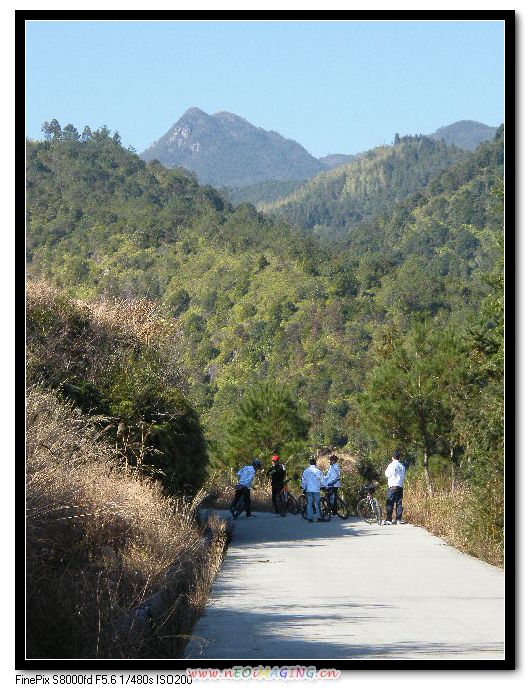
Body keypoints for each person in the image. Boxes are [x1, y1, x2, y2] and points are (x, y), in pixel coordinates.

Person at [384, 450, 407, 525]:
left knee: (390, 503)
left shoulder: (391, 465)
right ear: (399, 458)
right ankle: (398, 519)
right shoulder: (402, 466)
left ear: (392, 457)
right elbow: (403, 476)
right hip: (400, 486)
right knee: (399, 503)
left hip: (392, 487)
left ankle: (389, 520)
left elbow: (387, 474)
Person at [301, 456, 325, 522]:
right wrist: (323, 486)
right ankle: (319, 517)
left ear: (309, 463)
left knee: (309, 504)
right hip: (316, 490)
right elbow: (322, 480)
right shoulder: (318, 471)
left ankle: (310, 518)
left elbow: (304, 481)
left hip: (309, 490)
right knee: (317, 504)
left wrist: (304, 488)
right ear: (315, 463)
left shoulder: (306, 471)